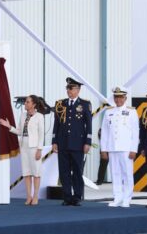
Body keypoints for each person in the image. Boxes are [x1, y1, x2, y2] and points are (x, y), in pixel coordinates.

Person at [52, 77, 92, 206]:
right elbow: (56, 124)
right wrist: (54, 141)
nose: (69, 91)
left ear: (78, 90)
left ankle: (77, 196)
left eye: (71, 88)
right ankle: (67, 197)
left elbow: (89, 125)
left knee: (77, 171)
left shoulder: (85, 104)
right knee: (64, 171)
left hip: (78, 144)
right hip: (63, 143)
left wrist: (88, 142)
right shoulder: (60, 104)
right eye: (67, 88)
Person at [0, 95, 45, 205]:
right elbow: (20, 131)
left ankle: (35, 196)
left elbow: (41, 135)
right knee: (26, 173)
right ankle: (28, 196)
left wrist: (39, 149)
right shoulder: (23, 115)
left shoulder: (39, 116)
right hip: (24, 147)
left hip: (34, 148)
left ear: (33, 104)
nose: (25, 104)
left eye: (27, 102)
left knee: (36, 173)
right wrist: (9, 126)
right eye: (25, 102)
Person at [101, 87, 139, 208]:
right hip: (112, 147)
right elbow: (105, 132)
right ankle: (117, 197)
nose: (118, 99)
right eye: (116, 97)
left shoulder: (131, 111)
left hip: (126, 148)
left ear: (125, 98)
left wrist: (134, 149)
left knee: (127, 174)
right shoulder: (108, 112)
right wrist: (103, 149)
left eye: (120, 97)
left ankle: (127, 198)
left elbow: (135, 132)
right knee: (115, 173)